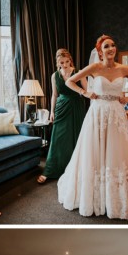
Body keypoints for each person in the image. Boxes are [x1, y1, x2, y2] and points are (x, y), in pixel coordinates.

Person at [57, 35, 128, 219]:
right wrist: (85, 92)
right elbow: (69, 81)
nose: (111, 48)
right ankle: (94, 194)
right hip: (97, 113)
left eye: (113, 45)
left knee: (116, 152)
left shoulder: (124, 68)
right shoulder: (95, 67)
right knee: (95, 152)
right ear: (100, 51)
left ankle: (115, 196)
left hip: (116, 112)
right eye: (107, 46)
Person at [37, 48, 87, 184]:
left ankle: (76, 169)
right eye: (61, 62)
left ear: (70, 60)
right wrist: (52, 111)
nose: (64, 65)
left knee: (76, 137)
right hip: (61, 107)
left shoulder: (79, 73)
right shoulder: (55, 76)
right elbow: (54, 95)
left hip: (77, 106)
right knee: (57, 138)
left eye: (66, 62)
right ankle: (50, 170)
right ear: (57, 62)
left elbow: (86, 91)